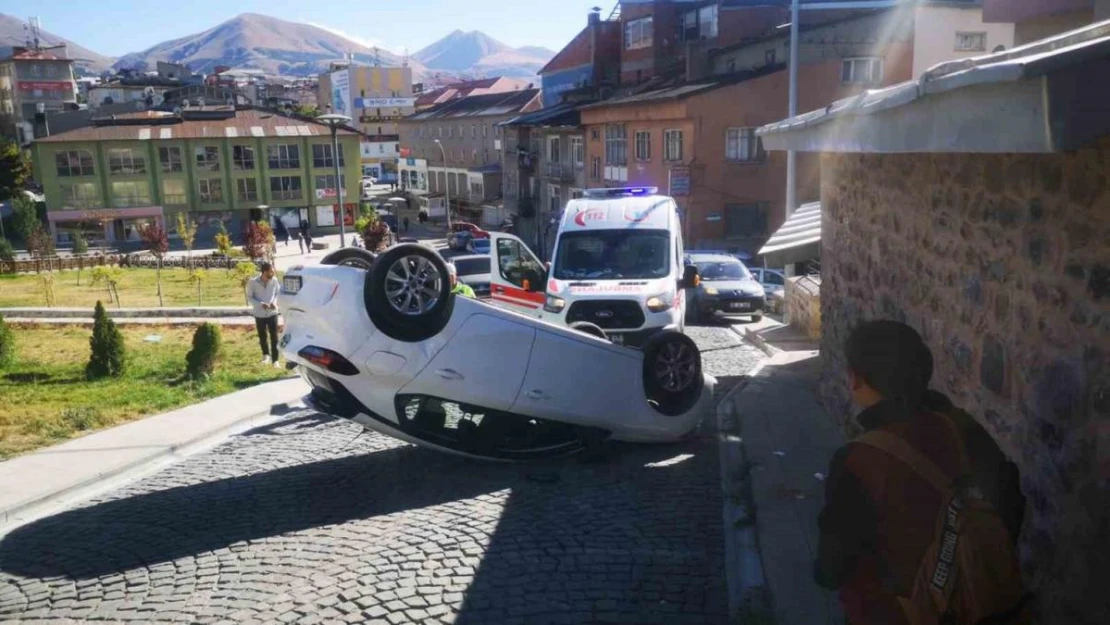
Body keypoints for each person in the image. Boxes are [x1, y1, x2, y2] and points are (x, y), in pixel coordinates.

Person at [815, 320, 1027, 625]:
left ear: (856, 379)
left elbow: (831, 568)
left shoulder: (858, 461)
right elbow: (1009, 502)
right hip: (980, 607)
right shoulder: (962, 427)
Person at [247, 261, 283, 368]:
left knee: (274, 336)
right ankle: (266, 355)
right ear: (264, 272)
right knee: (263, 336)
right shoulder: (253, 282)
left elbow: (277, 293)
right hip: (259, 313)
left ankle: (275, 360)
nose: (273, 273)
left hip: (273, 312)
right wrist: (260, 304)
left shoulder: (275, 280)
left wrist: (274, 303)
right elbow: (249, 297)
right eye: (271, 272)